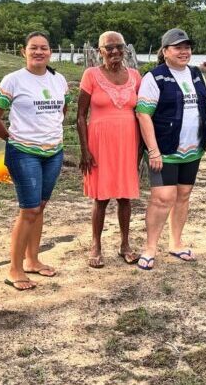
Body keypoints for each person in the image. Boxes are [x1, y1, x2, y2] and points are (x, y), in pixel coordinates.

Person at [0, 32, 70, 291]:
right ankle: (14, 268)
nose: (39, 52)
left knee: (40, 207)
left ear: (50, 52)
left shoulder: (59, 79)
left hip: (53, 151)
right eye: (33, 48)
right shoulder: (13, 80)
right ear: (24, 51)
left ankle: (32, 260)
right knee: (29, 209)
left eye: (44, 48)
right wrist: (11, 138)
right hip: (24, 152)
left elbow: (63, 109)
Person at [135, 29, 206, 270]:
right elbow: (143, 114)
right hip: (164, 149)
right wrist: (152, 150)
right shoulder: (154, 77)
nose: (184, 51)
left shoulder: (196, 74)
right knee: (163, 197)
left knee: (183, 195)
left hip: (193, 148)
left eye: (187, 47)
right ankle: (150, 247)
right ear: (165, 51)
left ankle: (176, 243)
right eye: (178, 47)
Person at [76, 31, 141, 268]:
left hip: (128, 142)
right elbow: (80, 116)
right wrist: (84, 150)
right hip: (99, 143)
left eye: (119, 47)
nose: (114, 52)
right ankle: (96, 245)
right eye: (109, 48)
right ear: (99, 51)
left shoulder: (135, 75)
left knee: (125, 197)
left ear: (125, 49)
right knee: (101, 198)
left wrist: (141, 150)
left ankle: (125, 244)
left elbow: (142, 114)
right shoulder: (91, 75)